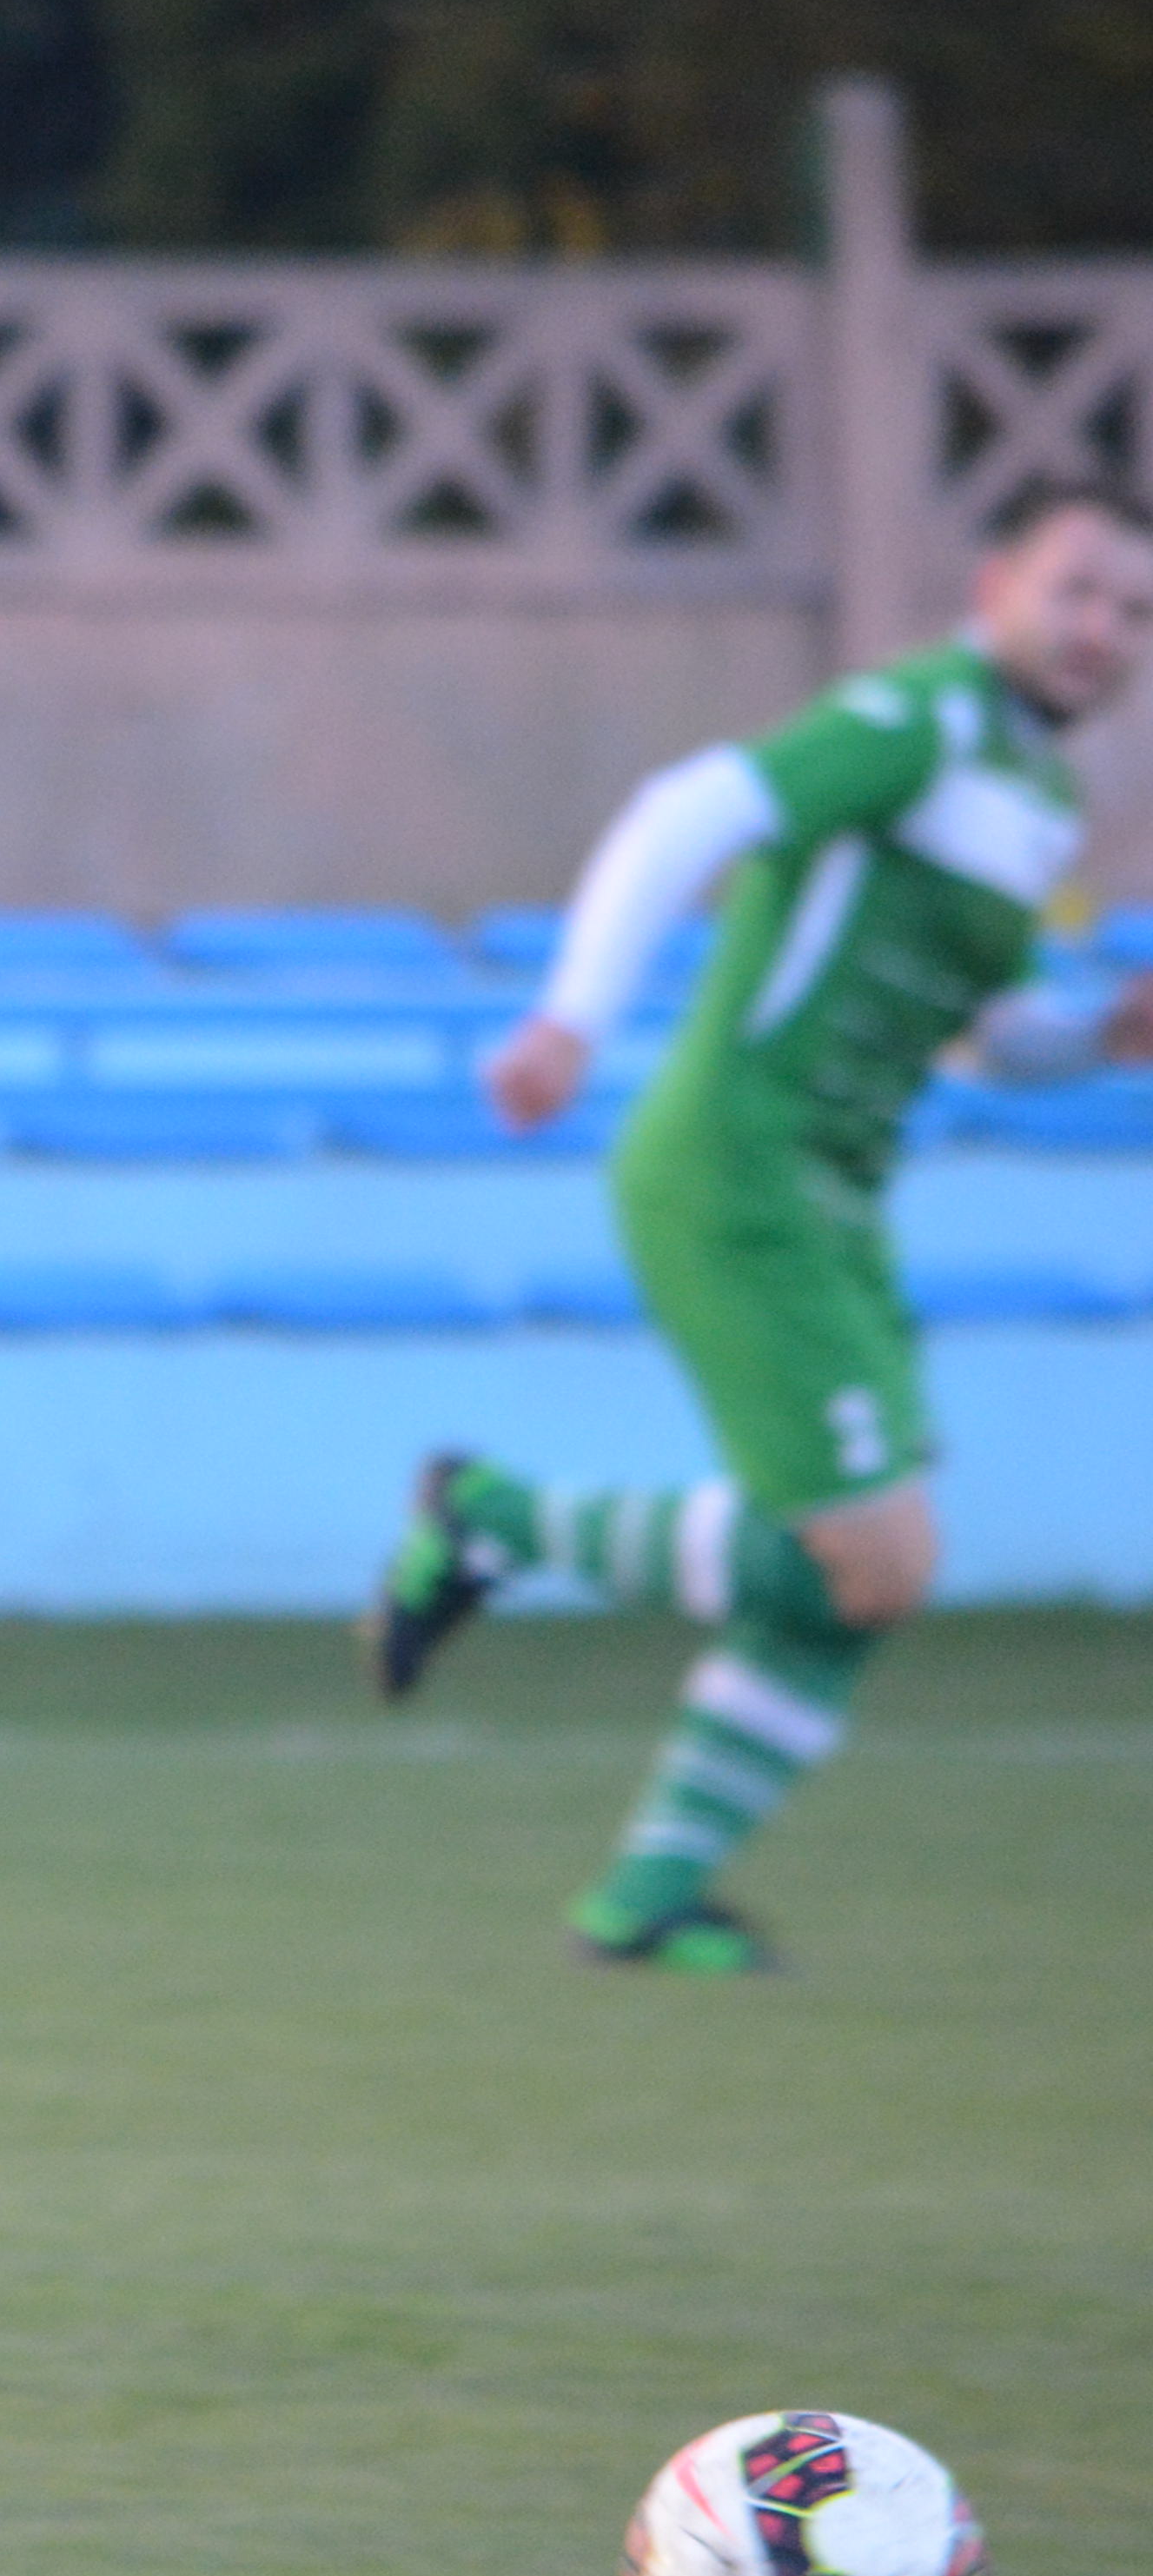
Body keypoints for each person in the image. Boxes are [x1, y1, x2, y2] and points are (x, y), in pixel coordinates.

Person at [369, 479, 1153, 1968]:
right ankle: (491, 1518)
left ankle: (645, 1900)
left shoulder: (1039, 801)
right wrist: (572, 1018)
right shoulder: (918, 718)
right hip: (741, 1172)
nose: (1104, 629)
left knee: (869, 1577)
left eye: (1135, 611)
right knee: (876, 1559)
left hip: (837, 1201)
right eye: (1077, 589)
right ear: (994, 587)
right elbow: (688, 812)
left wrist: (1106, 1034)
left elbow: (982, 1037)